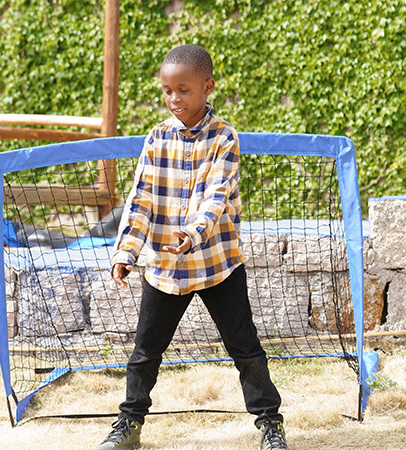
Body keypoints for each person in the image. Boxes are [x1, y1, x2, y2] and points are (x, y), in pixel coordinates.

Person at [95, 44, 287, 450]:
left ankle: (270, 424)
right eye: (167, 91)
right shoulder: (157, 137)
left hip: (217, 263)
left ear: (207, 87)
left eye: (183, 90)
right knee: (145, 352)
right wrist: (126, 252)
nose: (173, 99)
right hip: (164, 268)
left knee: (245, 349)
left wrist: (193, 233)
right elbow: (141, 200)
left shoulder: (225, 138)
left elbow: (218, 196)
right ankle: (128, 425)